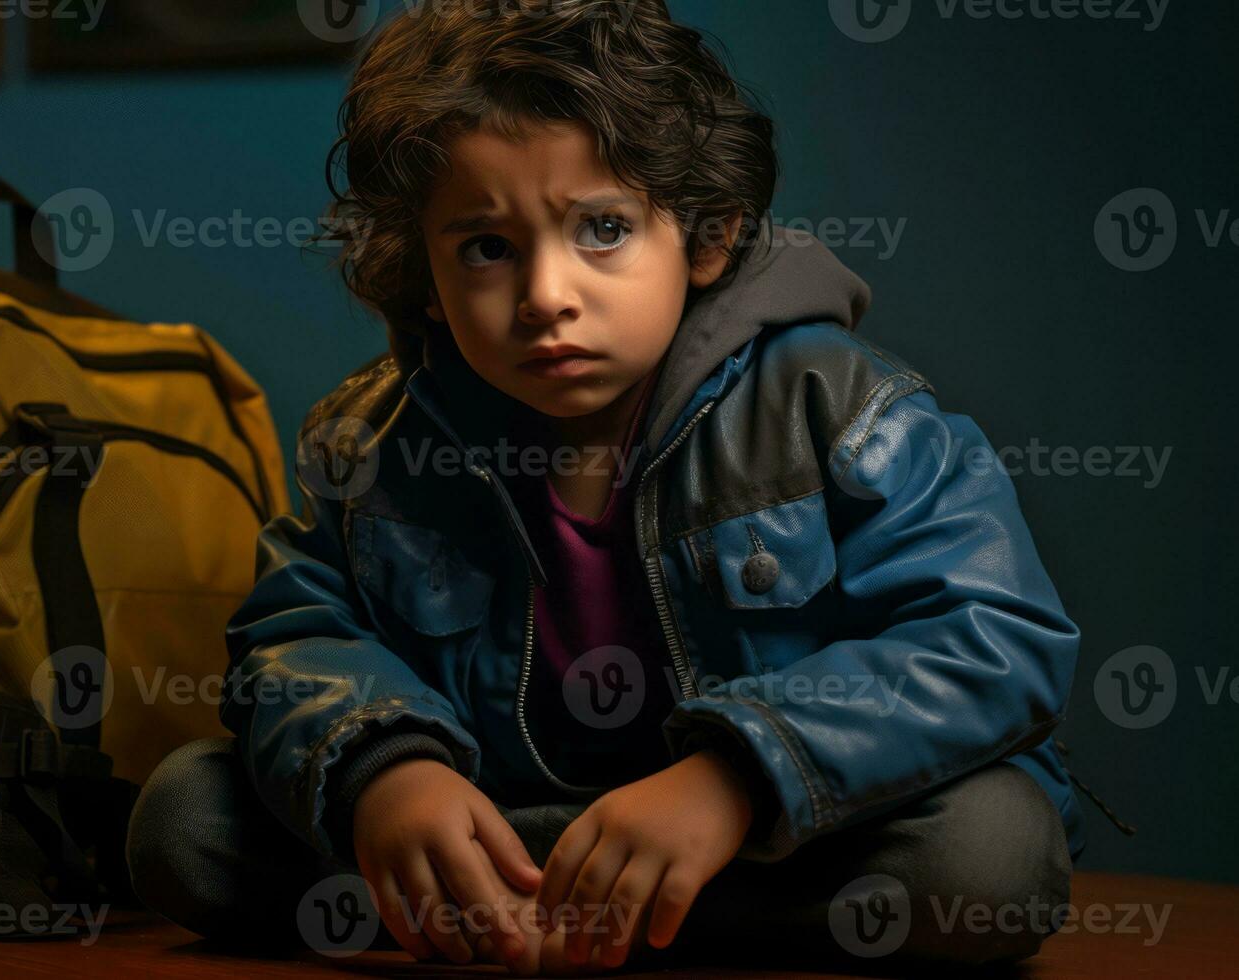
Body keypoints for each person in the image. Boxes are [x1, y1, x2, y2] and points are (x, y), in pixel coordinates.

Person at [127, 1, 1085, 973]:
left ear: (704, 238)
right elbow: (296, 636)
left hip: (780, 828)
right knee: (185, 816)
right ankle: (550, 899)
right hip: (514, 815)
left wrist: (737, 775)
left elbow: (993, 639)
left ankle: (552, 912)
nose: (546, 294)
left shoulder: (840, 408)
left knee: (983, 855)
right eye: (486, 248)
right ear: (423, 272)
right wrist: (386, 772)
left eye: (602, 229)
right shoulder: (373, 439)